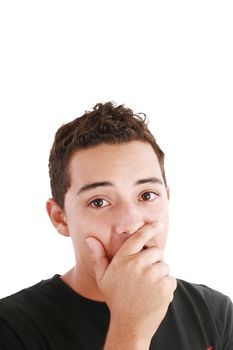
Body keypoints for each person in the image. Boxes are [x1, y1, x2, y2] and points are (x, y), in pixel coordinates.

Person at [0, 102, 232, 350]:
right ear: (60, 217)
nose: (131, 224)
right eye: (99, 201)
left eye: (146, 195)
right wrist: (130, 329)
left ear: (167, 198)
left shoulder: (214, 314)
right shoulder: (11, 328)